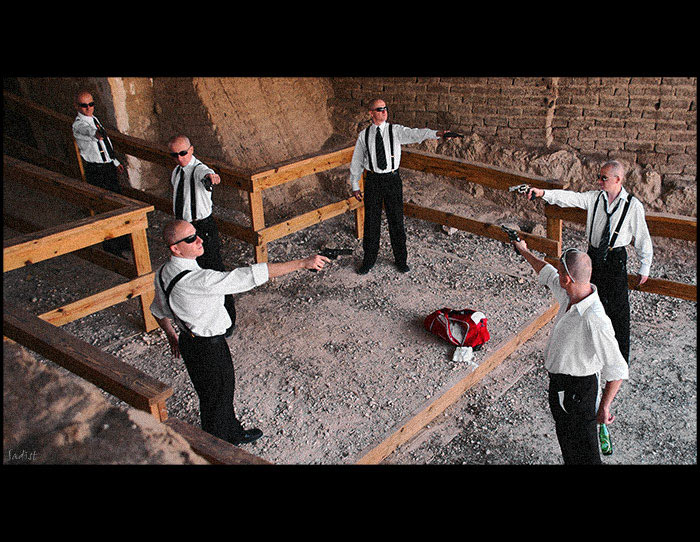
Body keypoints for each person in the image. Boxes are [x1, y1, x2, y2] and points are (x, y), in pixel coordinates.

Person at [150, 219, 330, 446]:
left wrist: (171, 335)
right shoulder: (199, 280)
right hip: (209, 347)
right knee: (219, 395)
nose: (200, 240)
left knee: (210, 393)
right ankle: (219, 447)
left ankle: (231, 430)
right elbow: (249, 275)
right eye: (191, 239)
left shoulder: (163, 273)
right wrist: (302, 263)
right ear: (176, 249)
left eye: (197, 234)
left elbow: (158, 310)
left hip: (189, 342)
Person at [511, 237, 629, 464]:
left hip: (579, 392)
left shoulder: (595, 319)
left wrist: (604, 407)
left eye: (560, 273)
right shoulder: (570, 294)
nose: (557, 276)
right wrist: (524, 250)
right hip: (561, 386)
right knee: (568, 444)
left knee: (586, 454)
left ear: (567, 279)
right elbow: (546, 272)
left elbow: (617, 368)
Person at [526, 160, 653, 364]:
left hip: (615, 259)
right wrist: (543, 193)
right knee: (586, 301)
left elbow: (643, 238)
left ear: (618, 179)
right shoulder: (595, 198)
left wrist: (644, 266)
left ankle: (618, 362)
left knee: (618, 309)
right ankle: (586, 352)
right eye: (599, 177)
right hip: (593, 256)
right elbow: (571, 198)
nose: (599, 181)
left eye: (604, 178)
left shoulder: (632, 206)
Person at [349, 98, 453, 274]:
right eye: (379, 109)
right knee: (371, 222)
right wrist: (355, 184)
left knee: (396, 221)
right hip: (373, 181)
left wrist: (438, 133)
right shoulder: (364, 135)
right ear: (371, 113)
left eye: (385, 108)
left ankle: (401, 260)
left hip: (392, 180)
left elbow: (415, 134)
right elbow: (357, 161)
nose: (384, 111)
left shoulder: (395, 131)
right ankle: (369, 260)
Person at [167, 135, 237, 336]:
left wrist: (211, 178)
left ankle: (228, 322)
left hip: (202, 227)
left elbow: (207, 175)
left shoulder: (199, 169)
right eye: (174, 155)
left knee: (215, 272)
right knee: (194, 274)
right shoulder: (177, 172)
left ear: (191, 150)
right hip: (185, 229)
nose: (180, 158)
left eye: (183, 153)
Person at [72, 90, 131, 257]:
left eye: (91, 104)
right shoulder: (79, 124)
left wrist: (115, 161)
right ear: (77, 106)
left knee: (118, 203)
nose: (88, 108)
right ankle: (111, 245)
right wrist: (95, 134)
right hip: (96, 170)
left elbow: (105, 145)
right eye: (84, 105)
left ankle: (123, 241)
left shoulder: (95, 119)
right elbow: (87, 132)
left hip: (107, 167)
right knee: (106, 207)